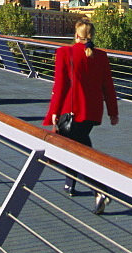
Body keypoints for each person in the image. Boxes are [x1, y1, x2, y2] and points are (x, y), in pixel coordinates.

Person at [43, 17, 119, 214]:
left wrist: (54, 112)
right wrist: (113, 112)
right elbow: (108, 87)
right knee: (76, 147)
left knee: (80, 152)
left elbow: (60, 86)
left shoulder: (65, 52)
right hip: (91, 113)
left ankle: (99, 190)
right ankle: (70, 184)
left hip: (71, 112)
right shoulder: (101, 56)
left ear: (76, 35)